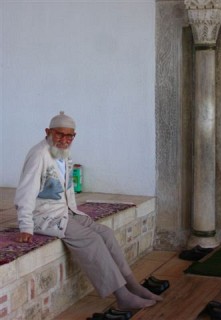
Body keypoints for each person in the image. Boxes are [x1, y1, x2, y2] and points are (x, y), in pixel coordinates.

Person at [14, 111, 162, 310]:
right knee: (91, 240)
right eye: (60, 134)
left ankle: (133, 286)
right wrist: (25, 226)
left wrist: (73, 210)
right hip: (44, 216)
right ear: (48, 132)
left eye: (70, 136)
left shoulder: (61, 152)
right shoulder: (38, 155)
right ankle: (122, 296)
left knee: (106, 234)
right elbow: (25, 191)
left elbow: (67, 189)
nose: (65, 140)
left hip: (66, 211)